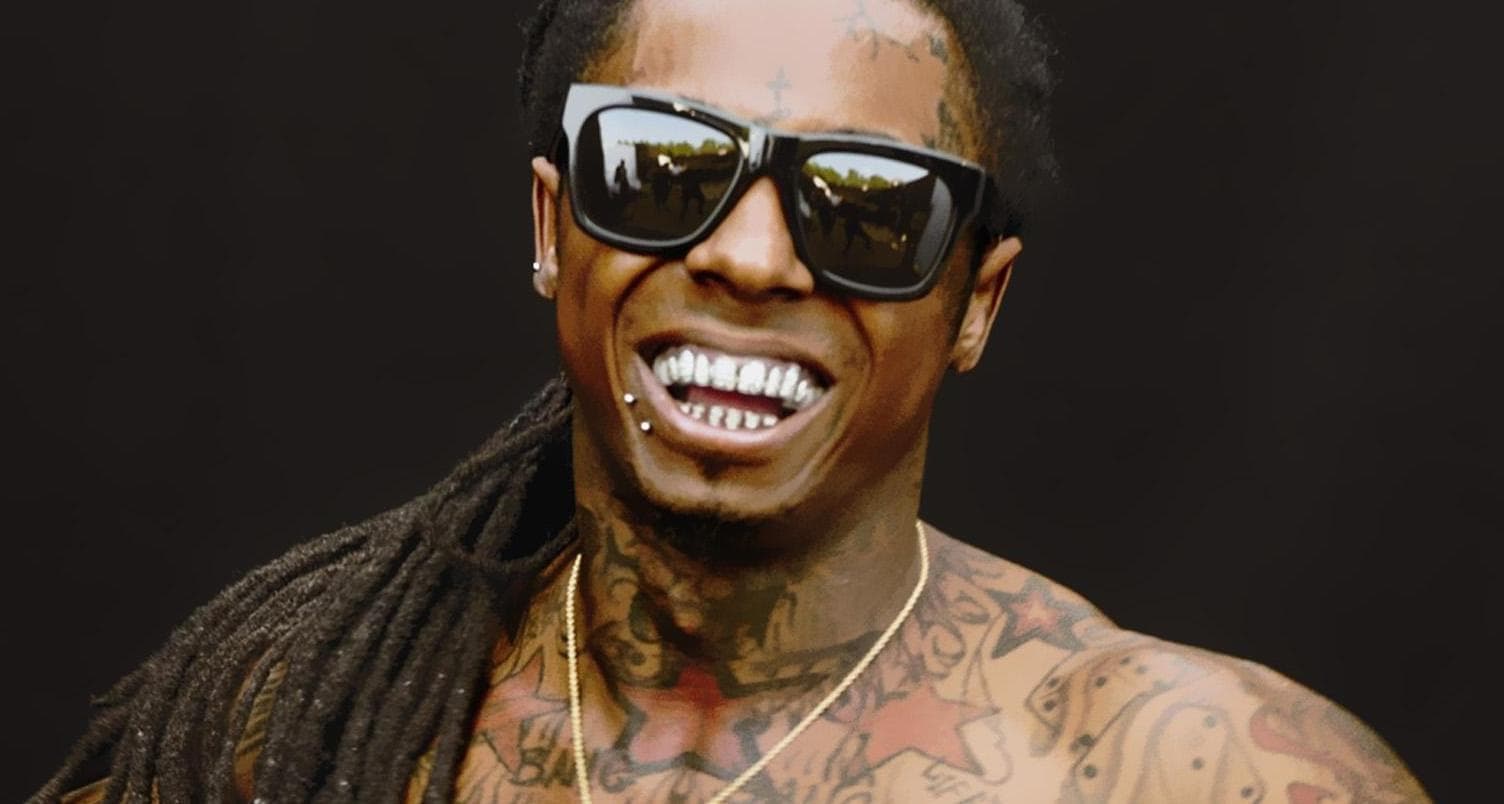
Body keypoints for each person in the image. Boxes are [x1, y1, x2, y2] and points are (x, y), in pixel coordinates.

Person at [35, 0, 1431, 801]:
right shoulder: (297, 734)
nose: (751, 259)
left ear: (976, 302)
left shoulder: (1185, 774)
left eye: (868, 207)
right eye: (662, 169)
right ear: (553, 227)